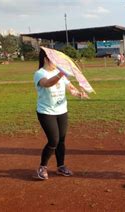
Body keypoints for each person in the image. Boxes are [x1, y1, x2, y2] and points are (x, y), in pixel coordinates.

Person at [33, 48, 89, 180]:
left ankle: (61, 166)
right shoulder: (40, 74)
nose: (56, 62)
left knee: (61, 140)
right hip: (46, 112)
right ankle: (42, 168)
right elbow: (47, 84)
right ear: (46, 59)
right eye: (53, 59)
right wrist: (61, 74)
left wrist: (78, 93)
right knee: (54, 140)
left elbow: (70, 88)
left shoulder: (59, 72)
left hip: (62, 111)